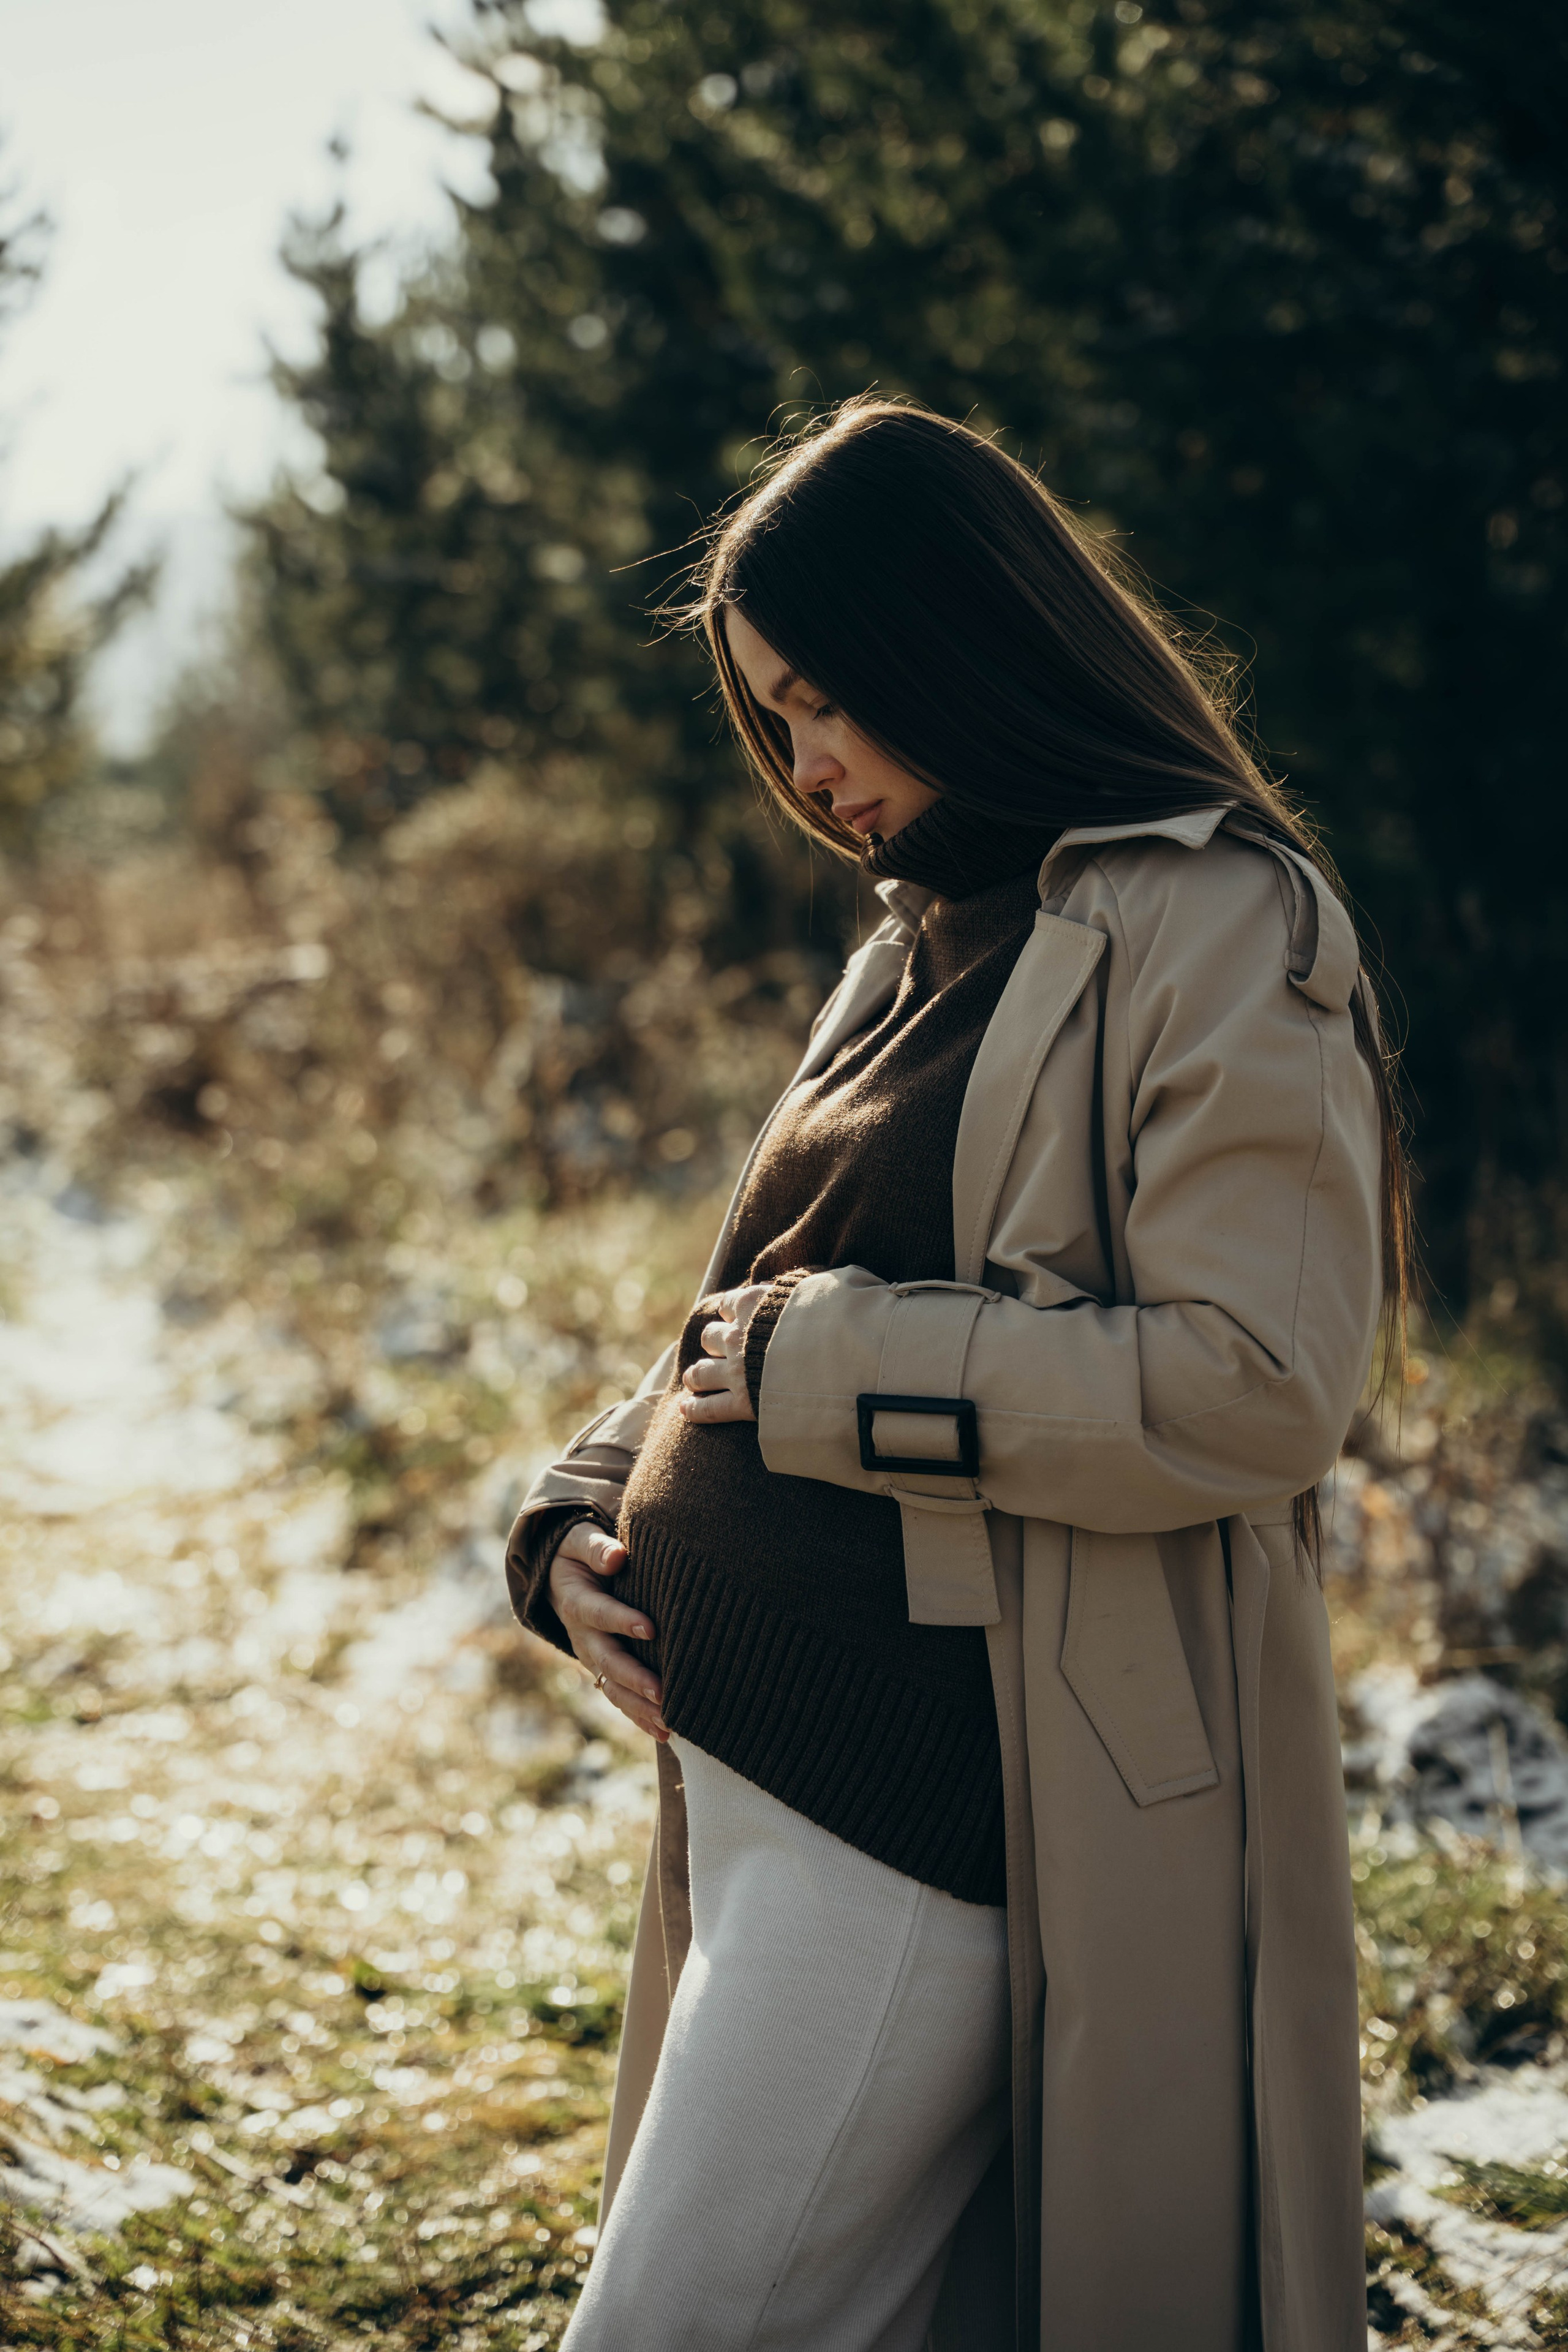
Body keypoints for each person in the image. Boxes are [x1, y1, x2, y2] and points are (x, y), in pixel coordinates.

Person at [504, 396, 1400, 2351]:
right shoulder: (918, 932)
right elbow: (740, 1306)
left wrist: (844, 1377)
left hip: (935, 1798)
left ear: (960, 637)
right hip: (754, 1772)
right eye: (774, 718)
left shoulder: (1221, 920)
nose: (808, 767)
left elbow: (1262, 1382)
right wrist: (576, 1513)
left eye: (833, 699)